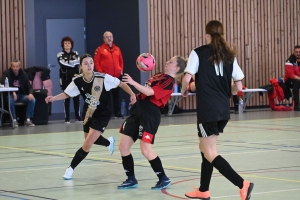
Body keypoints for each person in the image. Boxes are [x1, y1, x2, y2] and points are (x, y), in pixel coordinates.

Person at [181, 20, 254, 200]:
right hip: (223, 109)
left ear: (207, 35)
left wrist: (184, 90)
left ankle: (242, 184)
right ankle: (203, 190)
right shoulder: (230, 56)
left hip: (208, 110)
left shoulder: (197, 52)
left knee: (210, 152)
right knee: (204, 147)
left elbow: (186, 78)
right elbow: (239, 87)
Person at [45, 54, 136, 180]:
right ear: (81, 67)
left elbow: (120, 84)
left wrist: (132, 94)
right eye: (86, 63)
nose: (89, 65)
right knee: (90, 139)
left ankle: (70, 169)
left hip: (102, 114)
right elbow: (67, 94)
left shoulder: (103, 78)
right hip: (88, 113)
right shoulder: (77, 80)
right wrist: (54, 98)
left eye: (91, 62)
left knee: (87, 144)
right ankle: (108, 142)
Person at [117, 56, 186, 190]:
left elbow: (150, 92)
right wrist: (135, 97)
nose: (167, 62)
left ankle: (163, 178)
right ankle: (131, 179)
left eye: (170, 62)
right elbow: (144, 92)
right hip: (138, 110)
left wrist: (132, 82)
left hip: (150, 114)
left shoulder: (169, 81)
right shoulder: (159, 75)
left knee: (146, 150)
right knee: (123, 146)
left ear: (176, 68)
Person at [94, 31, 124, 118]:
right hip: (106, 77)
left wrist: (121, 70)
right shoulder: (99, 49)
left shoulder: (117, 49)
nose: (109, 38)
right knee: (106, 97)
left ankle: (117, 113)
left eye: (111, 36)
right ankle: (107, 113)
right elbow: (96, 63)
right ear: (104, 39)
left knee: (116, 95)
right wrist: (101, 73)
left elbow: (121, 61)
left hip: (117, 76)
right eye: (107, 37)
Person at [0, 59, 35, 127]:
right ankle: (14, 119)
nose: (15, 68)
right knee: (10, 100)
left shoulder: (24, 74)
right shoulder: (7, 73)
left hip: (21, 95)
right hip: (11, 95)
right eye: (14, 66)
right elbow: (3, 84)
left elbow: (29, 86)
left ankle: (28, 119)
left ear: (19, 67)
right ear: (11, 67)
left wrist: (30, 93)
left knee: (33, 99)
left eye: (17, 66)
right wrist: (12, 92)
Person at [57, 36, 82, 123]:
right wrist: (72, 63)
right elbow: (63, 64)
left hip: (75, 78)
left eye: (69, 43)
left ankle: (77, 116)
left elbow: (78, 62)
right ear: (63, 45)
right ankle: (67, 117)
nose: (67, 45)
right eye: (65, 43)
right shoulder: (60, 54)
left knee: (76, 97)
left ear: (71, 45)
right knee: (66, 97)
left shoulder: (75, 53)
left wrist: (69, 62)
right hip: (65, 78)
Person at [284, 45, 300, 111]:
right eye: (296, 52)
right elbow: (292, 76)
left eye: (299, 52)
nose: (298, 53)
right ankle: (296, 104)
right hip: (289, 80)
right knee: (297, 82)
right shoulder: (289, 61)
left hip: (298, 79)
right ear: (293, 52)